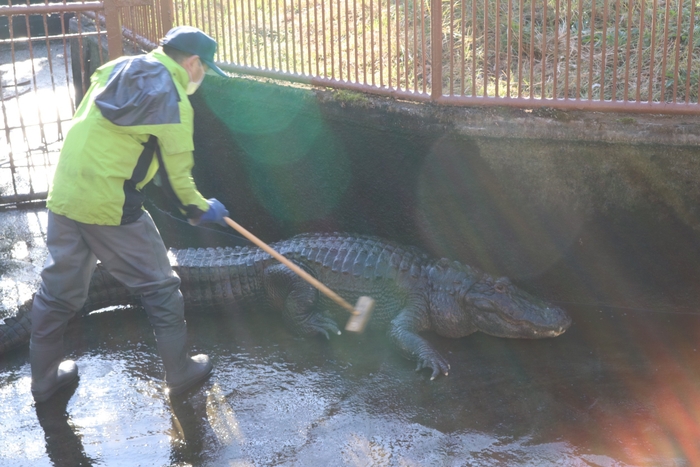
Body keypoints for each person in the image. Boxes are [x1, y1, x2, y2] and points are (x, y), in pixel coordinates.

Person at [30, 26, 230, 403]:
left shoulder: (118, 67)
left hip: (65, 190)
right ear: (191, 63)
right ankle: (181, 373)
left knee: (57, 295)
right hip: (108, 203)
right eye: (204, 69)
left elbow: (101, 129)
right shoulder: (172, 98)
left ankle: (43, 380)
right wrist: (201, 209)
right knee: (161, 288)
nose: (201, 77)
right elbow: (178, 177)